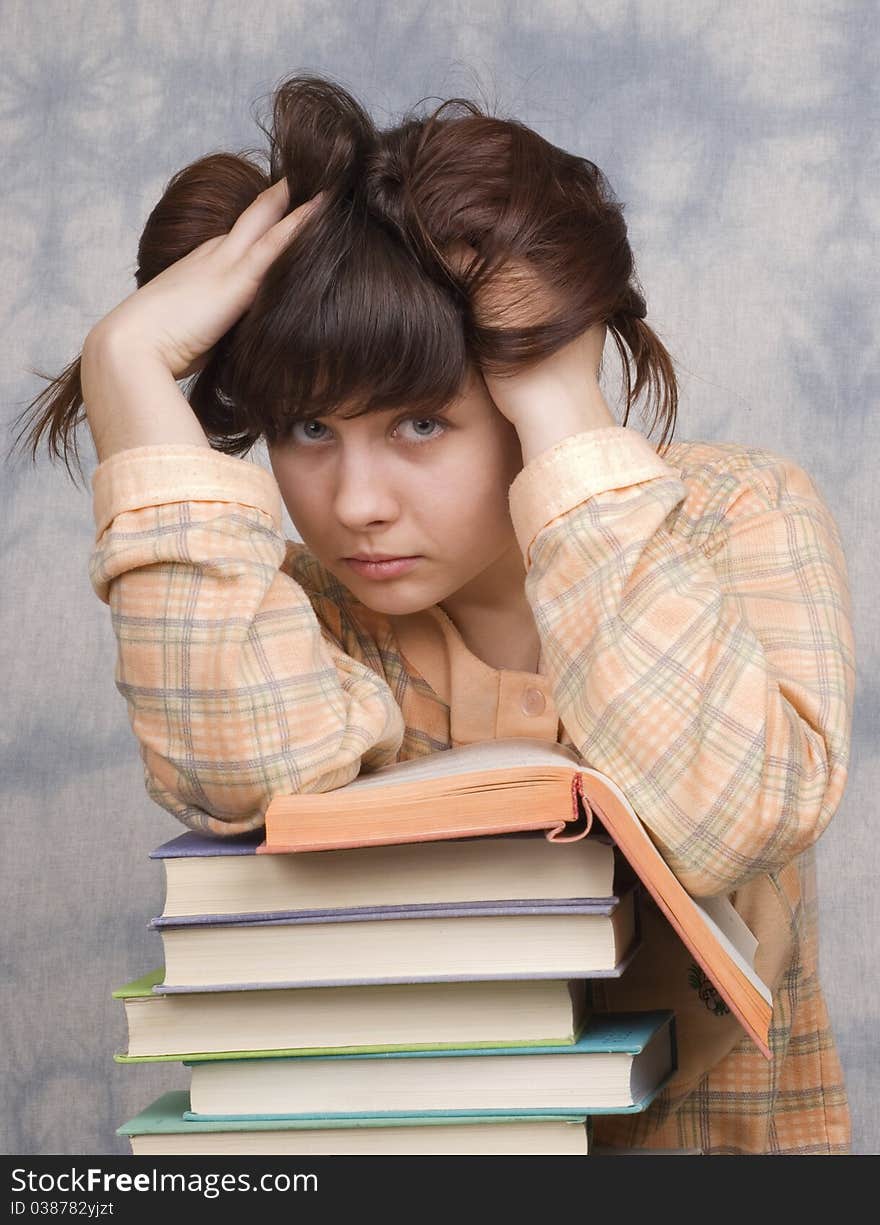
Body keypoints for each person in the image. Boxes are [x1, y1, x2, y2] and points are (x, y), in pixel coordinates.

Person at [9, 74, 855, 1155]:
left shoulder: (731, 515)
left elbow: (727, 815)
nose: (354, 503)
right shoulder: (289, 608)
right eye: (307, 428)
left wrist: (556, 402)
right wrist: (124, 370)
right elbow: (239, 773)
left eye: (419, 423)